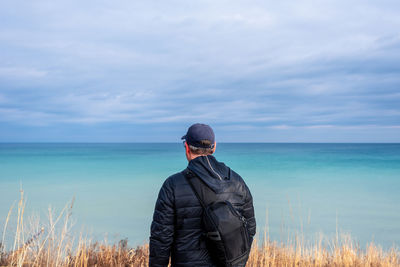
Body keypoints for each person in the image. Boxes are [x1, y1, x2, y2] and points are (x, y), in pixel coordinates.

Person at [149, 123, 256, 267]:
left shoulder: (172, 185)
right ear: (214, 147)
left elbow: (161, 239)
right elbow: (249, 229)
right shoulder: (238, 183)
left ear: (187, 147)